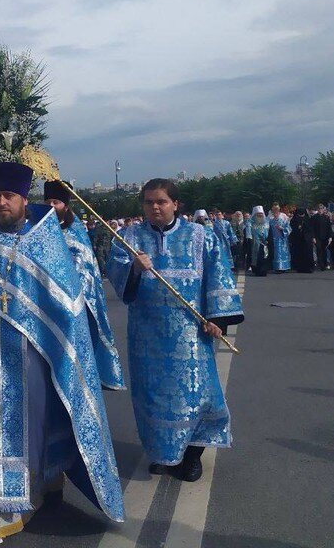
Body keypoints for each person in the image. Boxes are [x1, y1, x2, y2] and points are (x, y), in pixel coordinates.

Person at [0, 163, 124, 544]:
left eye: (9, 196)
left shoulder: (45, 244)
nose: (1, 202)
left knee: (30, 426)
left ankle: (33, 492)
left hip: (29, 351)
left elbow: (66, 303)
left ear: (24, 200)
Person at [108, 178, 243, 483]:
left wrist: (217, 320)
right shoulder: (129, 237)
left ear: (175, 204)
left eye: (161, 202)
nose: (154, 207)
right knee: (153, 399)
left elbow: (218, 277)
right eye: (148, 202)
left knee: (197, 396)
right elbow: (118, 278)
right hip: (146, 336)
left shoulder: (201, 236)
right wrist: (133, 269)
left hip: (190, 336)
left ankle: (191, 456)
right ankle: (163, 454)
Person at [44, 180, 125, 390]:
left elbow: (85, 266)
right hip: (44, 300)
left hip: (74, 301)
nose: (52, 206)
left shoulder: (76, 231)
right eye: (48, 202)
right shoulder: (36, 230)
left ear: (66, 206)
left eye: (56, 202)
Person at [289, 208, 315, 273]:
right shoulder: (294, 219)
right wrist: (298, 228)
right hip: (298, 240)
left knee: (308, 254)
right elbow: (291, 229)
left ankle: (309, 268)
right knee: (299, 254)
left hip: (307, 240)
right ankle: (299, 268)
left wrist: (312, 237)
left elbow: (311, 229)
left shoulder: (308, 219)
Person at [247, 206, 271, 277]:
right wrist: (250, 238)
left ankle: (263, 271)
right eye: (258, 214)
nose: (260, 215)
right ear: (255, 214)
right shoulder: (250, 222)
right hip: (255, 242)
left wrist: (267, 239)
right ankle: (255, 269)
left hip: (264, 242)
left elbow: (268, 231)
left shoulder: (266, 222)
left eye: (261, 214)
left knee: (264, 256)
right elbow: (248, 232)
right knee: (255, 256)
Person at [268, 203, 291, 272]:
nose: (275, 210)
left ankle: (284, 267)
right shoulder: (269, 217)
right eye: (274, 209)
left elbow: (289, 228)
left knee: (283, 253)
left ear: (279, 209)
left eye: (277, 209)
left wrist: (282, 229)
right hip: (273, 239)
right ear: (272, 209)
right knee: (275, 253)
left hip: (282, 239)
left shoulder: (284, 216)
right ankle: (276, 267)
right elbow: (266, 228)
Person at [311, 205, 332, 271]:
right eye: (319, 208)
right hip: (317, 237)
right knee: (319, 250)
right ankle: (321, 265)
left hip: (325, 237)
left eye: (321, 208)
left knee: (324, 250)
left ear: (323, 209)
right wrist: (313, 237)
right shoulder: (314, 217)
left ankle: (325, 264)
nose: (320, 210)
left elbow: (329, 228)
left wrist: (330, 237)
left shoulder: (326, 217)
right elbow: (312, 228)